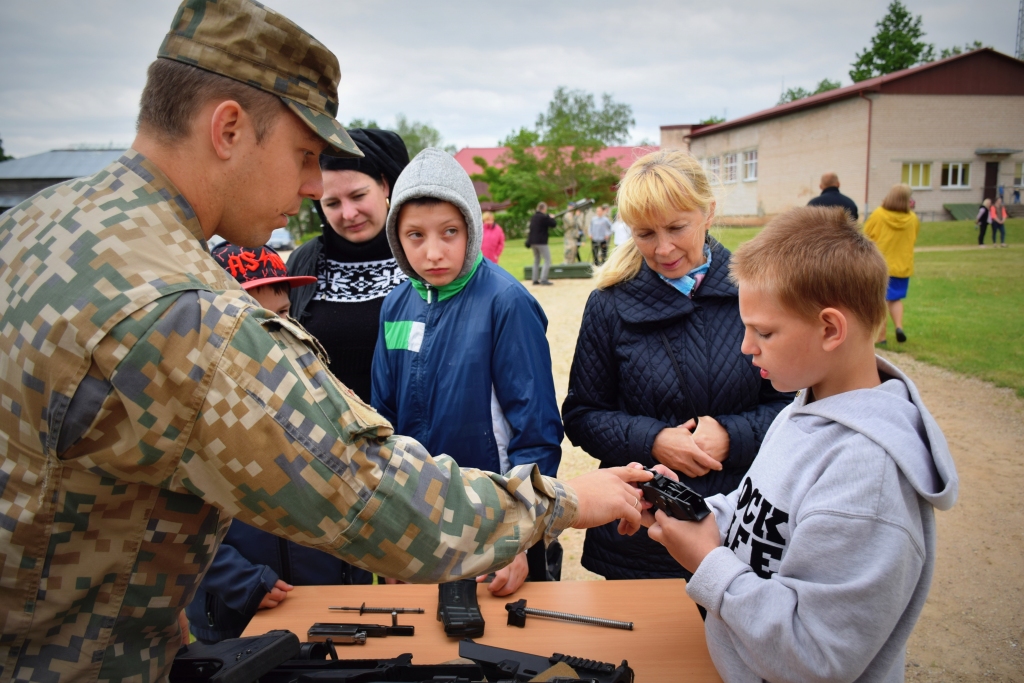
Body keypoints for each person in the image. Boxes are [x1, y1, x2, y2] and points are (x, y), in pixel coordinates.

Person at [0, 2, 653, 679]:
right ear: (228, 129)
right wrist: (563, 501)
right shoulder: (186, 312)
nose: (316, 187)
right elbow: (364, 490)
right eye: (305, 156)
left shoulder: (37, 227)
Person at [645, 206, 958, 683]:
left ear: (830, 329)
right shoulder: (804, 406)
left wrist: (708, 563)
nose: (746, 346)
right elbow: (758, 513)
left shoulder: (868, 480)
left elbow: (815, 658)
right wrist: (694, 511)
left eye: (764, 332)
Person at [562, 150, 794, 583]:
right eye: (645, 233)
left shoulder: (758, 292)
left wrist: (732, 436)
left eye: (676, 228)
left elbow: (792, 406)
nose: (663, 248)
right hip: (640, 534)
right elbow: (582, 415)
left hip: (739, 526)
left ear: (708, 213)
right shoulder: (608, 304)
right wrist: (654, 440)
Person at [371, 149, 565, 596]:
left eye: (450, 232)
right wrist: (387, 530)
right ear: (396, 238)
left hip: (492, 524)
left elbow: (536, 433)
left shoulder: (507, 302)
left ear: (472, 228)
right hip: (415, 520)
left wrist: (518, 538)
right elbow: (382, 425)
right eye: (415, 235)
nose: (433, 252)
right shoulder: (395, 305)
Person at [187, 242, 373, 643]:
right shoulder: (190, 405)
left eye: (283, 313)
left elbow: (360, 483)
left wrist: (359, 569)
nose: (274, 330)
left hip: (329, 603)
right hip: (238, 615)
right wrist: (239, 580)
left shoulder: (324, 390)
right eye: (254, 317)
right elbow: (169, 518)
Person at [286, 128, 410, 403]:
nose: (349, 214)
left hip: (414, 427)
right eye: (332, 203)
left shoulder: (421, 255)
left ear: (384, 185)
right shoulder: (304, 263)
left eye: (358, 196)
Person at [864, 184, 921, 345]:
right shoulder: (912, 219)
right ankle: (899, 327)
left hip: (880, 265)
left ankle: (881, 337)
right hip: (902, 266)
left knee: (880, 300)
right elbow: (913, 238)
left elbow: (866, 236)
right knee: (895, 299)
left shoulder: (878, 215)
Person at [527, 201, 556, 285]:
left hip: (533, 242)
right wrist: (551, 218)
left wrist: (548, 217)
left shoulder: (533, 217)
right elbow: (553, 224)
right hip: (541, 242)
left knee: (536, 260)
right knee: (547, 260)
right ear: (544, 209)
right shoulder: (544, 217)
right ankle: (543, 279)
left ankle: (535, 279)